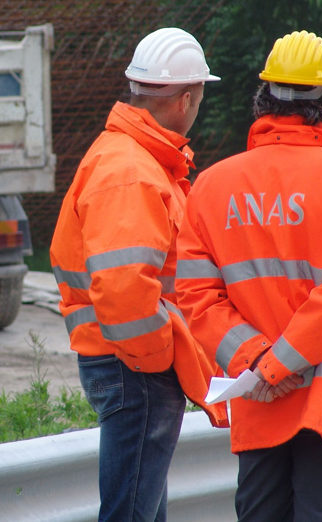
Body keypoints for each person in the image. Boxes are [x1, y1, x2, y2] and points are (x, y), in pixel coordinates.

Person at [175, 30, 322, 521]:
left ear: (263, 97)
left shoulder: (211, 187)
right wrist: (280, 365)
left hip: (258, 400)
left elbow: (196, 297)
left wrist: (258, 363)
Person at [49, 27, 228, 522]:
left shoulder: (135, 161)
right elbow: (125, 290)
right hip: (136, 367)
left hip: (130, 363)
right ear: (186, 99)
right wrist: (159, 359)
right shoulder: (132, 171)